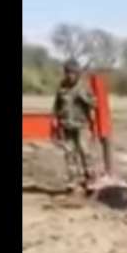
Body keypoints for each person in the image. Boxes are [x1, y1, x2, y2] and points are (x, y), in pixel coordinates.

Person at [52, 59, 96, 187]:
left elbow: (94, 103)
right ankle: (73, 179)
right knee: (69, 152)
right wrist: (55, 119)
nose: (70, 75)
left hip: (81, 125)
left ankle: (90, 178)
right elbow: (57, 104)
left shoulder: (84, 86)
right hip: (66, 125)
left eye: (72, 73)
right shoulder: (62, 86)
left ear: (77, 74)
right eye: (67, 73)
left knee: (85, 151)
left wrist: (84, 97)